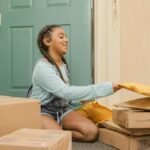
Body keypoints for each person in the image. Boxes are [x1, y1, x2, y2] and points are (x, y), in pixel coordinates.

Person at [29, 25, 121, 142]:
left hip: (62, 110)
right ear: (47, 41)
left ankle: (59, 132)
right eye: (61, 37)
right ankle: (55, 132)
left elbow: (64, 97)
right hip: (42, 111)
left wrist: (80, 100)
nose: (66, 40)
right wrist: (107, 87)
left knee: (91, 132)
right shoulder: (42, 67)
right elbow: (65, 92)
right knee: (58, 140)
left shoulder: (63, 65)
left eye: (66, 37)